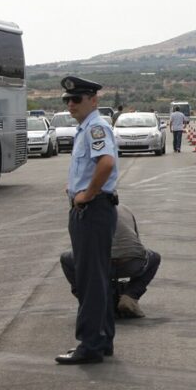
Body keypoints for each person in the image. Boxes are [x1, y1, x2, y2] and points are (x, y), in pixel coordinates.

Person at [56, 75, 120, 365]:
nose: (71, 104)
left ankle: (90, 345)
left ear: (93, 100)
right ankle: (103, 339)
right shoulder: (87, 128)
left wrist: (86, 194)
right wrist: (75, 188)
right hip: (92, 209)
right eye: (67, 100)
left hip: (92, 211)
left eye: (77, 99)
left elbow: (106, 163)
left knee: (89, 280)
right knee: (98, 278)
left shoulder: (95, 127)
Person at [60, 203, 162, 319]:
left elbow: (79, 247)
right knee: (155, 258)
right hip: (131, 263)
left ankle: (90, 299)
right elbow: (136, 242)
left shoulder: (80, 213)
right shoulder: (124, 208)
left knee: (66, 259)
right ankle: (130, 296)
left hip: (98, 264)